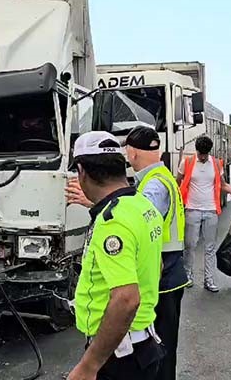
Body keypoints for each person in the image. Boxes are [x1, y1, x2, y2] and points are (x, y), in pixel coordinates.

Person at [66, 125, 188, 380]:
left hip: (120, 355)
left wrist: (89, 365)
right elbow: (156, 266)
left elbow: (126, 299)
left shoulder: (113, 220)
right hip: (142, 342)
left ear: (81, 172)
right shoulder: (142, 206)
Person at [177, 135, 231, 293]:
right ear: (196, 151)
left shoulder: (215, 163)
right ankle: (188, 275)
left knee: (210, 248)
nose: (202, 157)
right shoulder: (187, 162)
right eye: (200, 154)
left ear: (209, 152)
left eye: (205, 154)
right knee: (190, 245)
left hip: (211, 210)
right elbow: (178, 182)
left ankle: (209, 280)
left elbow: (223, 185)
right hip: (192, 210)